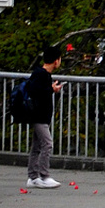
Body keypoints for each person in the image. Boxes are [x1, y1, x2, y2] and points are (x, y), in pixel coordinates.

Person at [26, 44, 64, 189]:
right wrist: (51, 89)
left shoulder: (42, 75)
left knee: (36, 146)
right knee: (47, 144)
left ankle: (33, 176)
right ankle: (43, 175)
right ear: (56, 60)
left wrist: (50, 89)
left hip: (40, 116)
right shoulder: (41, 74)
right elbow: (36, 91)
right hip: (39, 116)